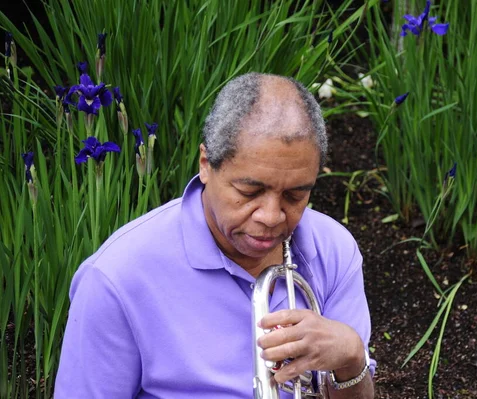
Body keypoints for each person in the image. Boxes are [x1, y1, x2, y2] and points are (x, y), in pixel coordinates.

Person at [55, 72, 375, 398]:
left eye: (295, 196)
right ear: (206, 164)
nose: (271, 216)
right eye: (250, 191)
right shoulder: (116, 279)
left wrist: (350, 358)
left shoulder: (334, 248)